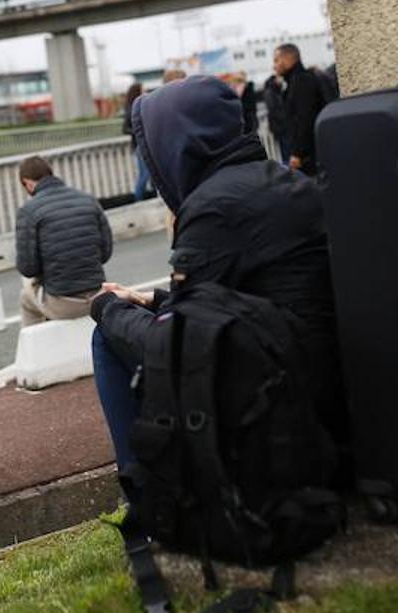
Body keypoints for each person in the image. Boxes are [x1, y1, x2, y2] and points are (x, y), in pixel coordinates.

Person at [89, 74, 345, 478]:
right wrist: (155, 300)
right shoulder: (287, 180)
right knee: (131, 318)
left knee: (107, 333)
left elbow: (184, 342)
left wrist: (106, 309)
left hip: (281, 404)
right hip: (327, 384)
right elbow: (232, 303)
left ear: (176, 146)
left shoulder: (213, 208)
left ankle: (146, 505)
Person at [14, 155, 112, 326]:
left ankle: (39, 350)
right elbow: (105, 253)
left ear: (27, 183)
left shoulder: (28, 211)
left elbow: (28, 268)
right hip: (99, 295)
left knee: (26, 297)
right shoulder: (88, 199)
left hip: (63, 303)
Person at [273, 43, 324, 176]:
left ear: (288, 59)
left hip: (310, 156)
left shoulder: (301, 81)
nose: (274, 65)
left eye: (276, 60)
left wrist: (297, 153)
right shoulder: (294, 82)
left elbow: (305, 119)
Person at [122, 83, 152, 201]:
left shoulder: (138, 106)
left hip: (143, 144)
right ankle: (138, 200)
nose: (145, 91)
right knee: (144, 175)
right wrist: (139, 130)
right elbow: (124, 129)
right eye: (142, 90)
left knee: (147, 175)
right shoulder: (131, 109)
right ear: (137, 92)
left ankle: (141, 198)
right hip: (140, 146)